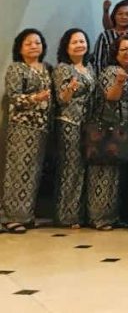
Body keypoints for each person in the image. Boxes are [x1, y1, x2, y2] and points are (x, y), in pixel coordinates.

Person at [1, 29, 53, 233]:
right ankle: (10, 217)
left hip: (42, 127)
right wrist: (34, 98)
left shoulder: (46, 68)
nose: (33, 46)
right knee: (18, 170)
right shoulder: (17, 68)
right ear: (20, 48)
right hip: (22, 127)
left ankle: (26, 215)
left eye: (37, 43)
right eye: (28, 43)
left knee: (34, 172)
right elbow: (13, 96)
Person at [88, 36, 128, 230]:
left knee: (120, 175)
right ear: (115, 53)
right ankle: (99, 217)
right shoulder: (110, 71)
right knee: (105, 173)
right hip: (109, 127)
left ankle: (115, 215)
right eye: (124, 49)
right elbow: (111, 97)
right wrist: (119, 82)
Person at [53, 29, 95, 229]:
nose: (79, 45)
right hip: (70, 123)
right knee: (70, 168)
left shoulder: (89, 67)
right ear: (66, 47)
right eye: (74, 42)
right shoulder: (63, 68)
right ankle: (66, 215)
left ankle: (81, 213)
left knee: (84, 168)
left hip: (88, 124)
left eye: (82, 41)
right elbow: (61, 99)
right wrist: (70, 89)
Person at [92, 2, 128, 74]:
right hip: (109, 76)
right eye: (120, 14)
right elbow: (98, 61)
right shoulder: (104, 36)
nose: (124, 17)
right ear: (114, 16)